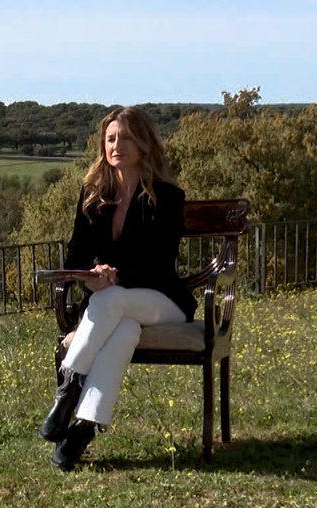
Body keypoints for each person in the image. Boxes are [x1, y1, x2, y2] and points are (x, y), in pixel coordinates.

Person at [39, 106, 196, 470]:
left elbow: (161, 260)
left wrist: (114, 277)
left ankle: (68, 391)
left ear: (143, 143)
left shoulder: (168, 196)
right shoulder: (93, 193)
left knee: (112, 300)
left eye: (125, 137)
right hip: (113, 305)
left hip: (162, 300)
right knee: (124, 330)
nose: (116, 145)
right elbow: (76, 253)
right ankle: (82, 429)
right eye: (110, 138)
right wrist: (89, 275)